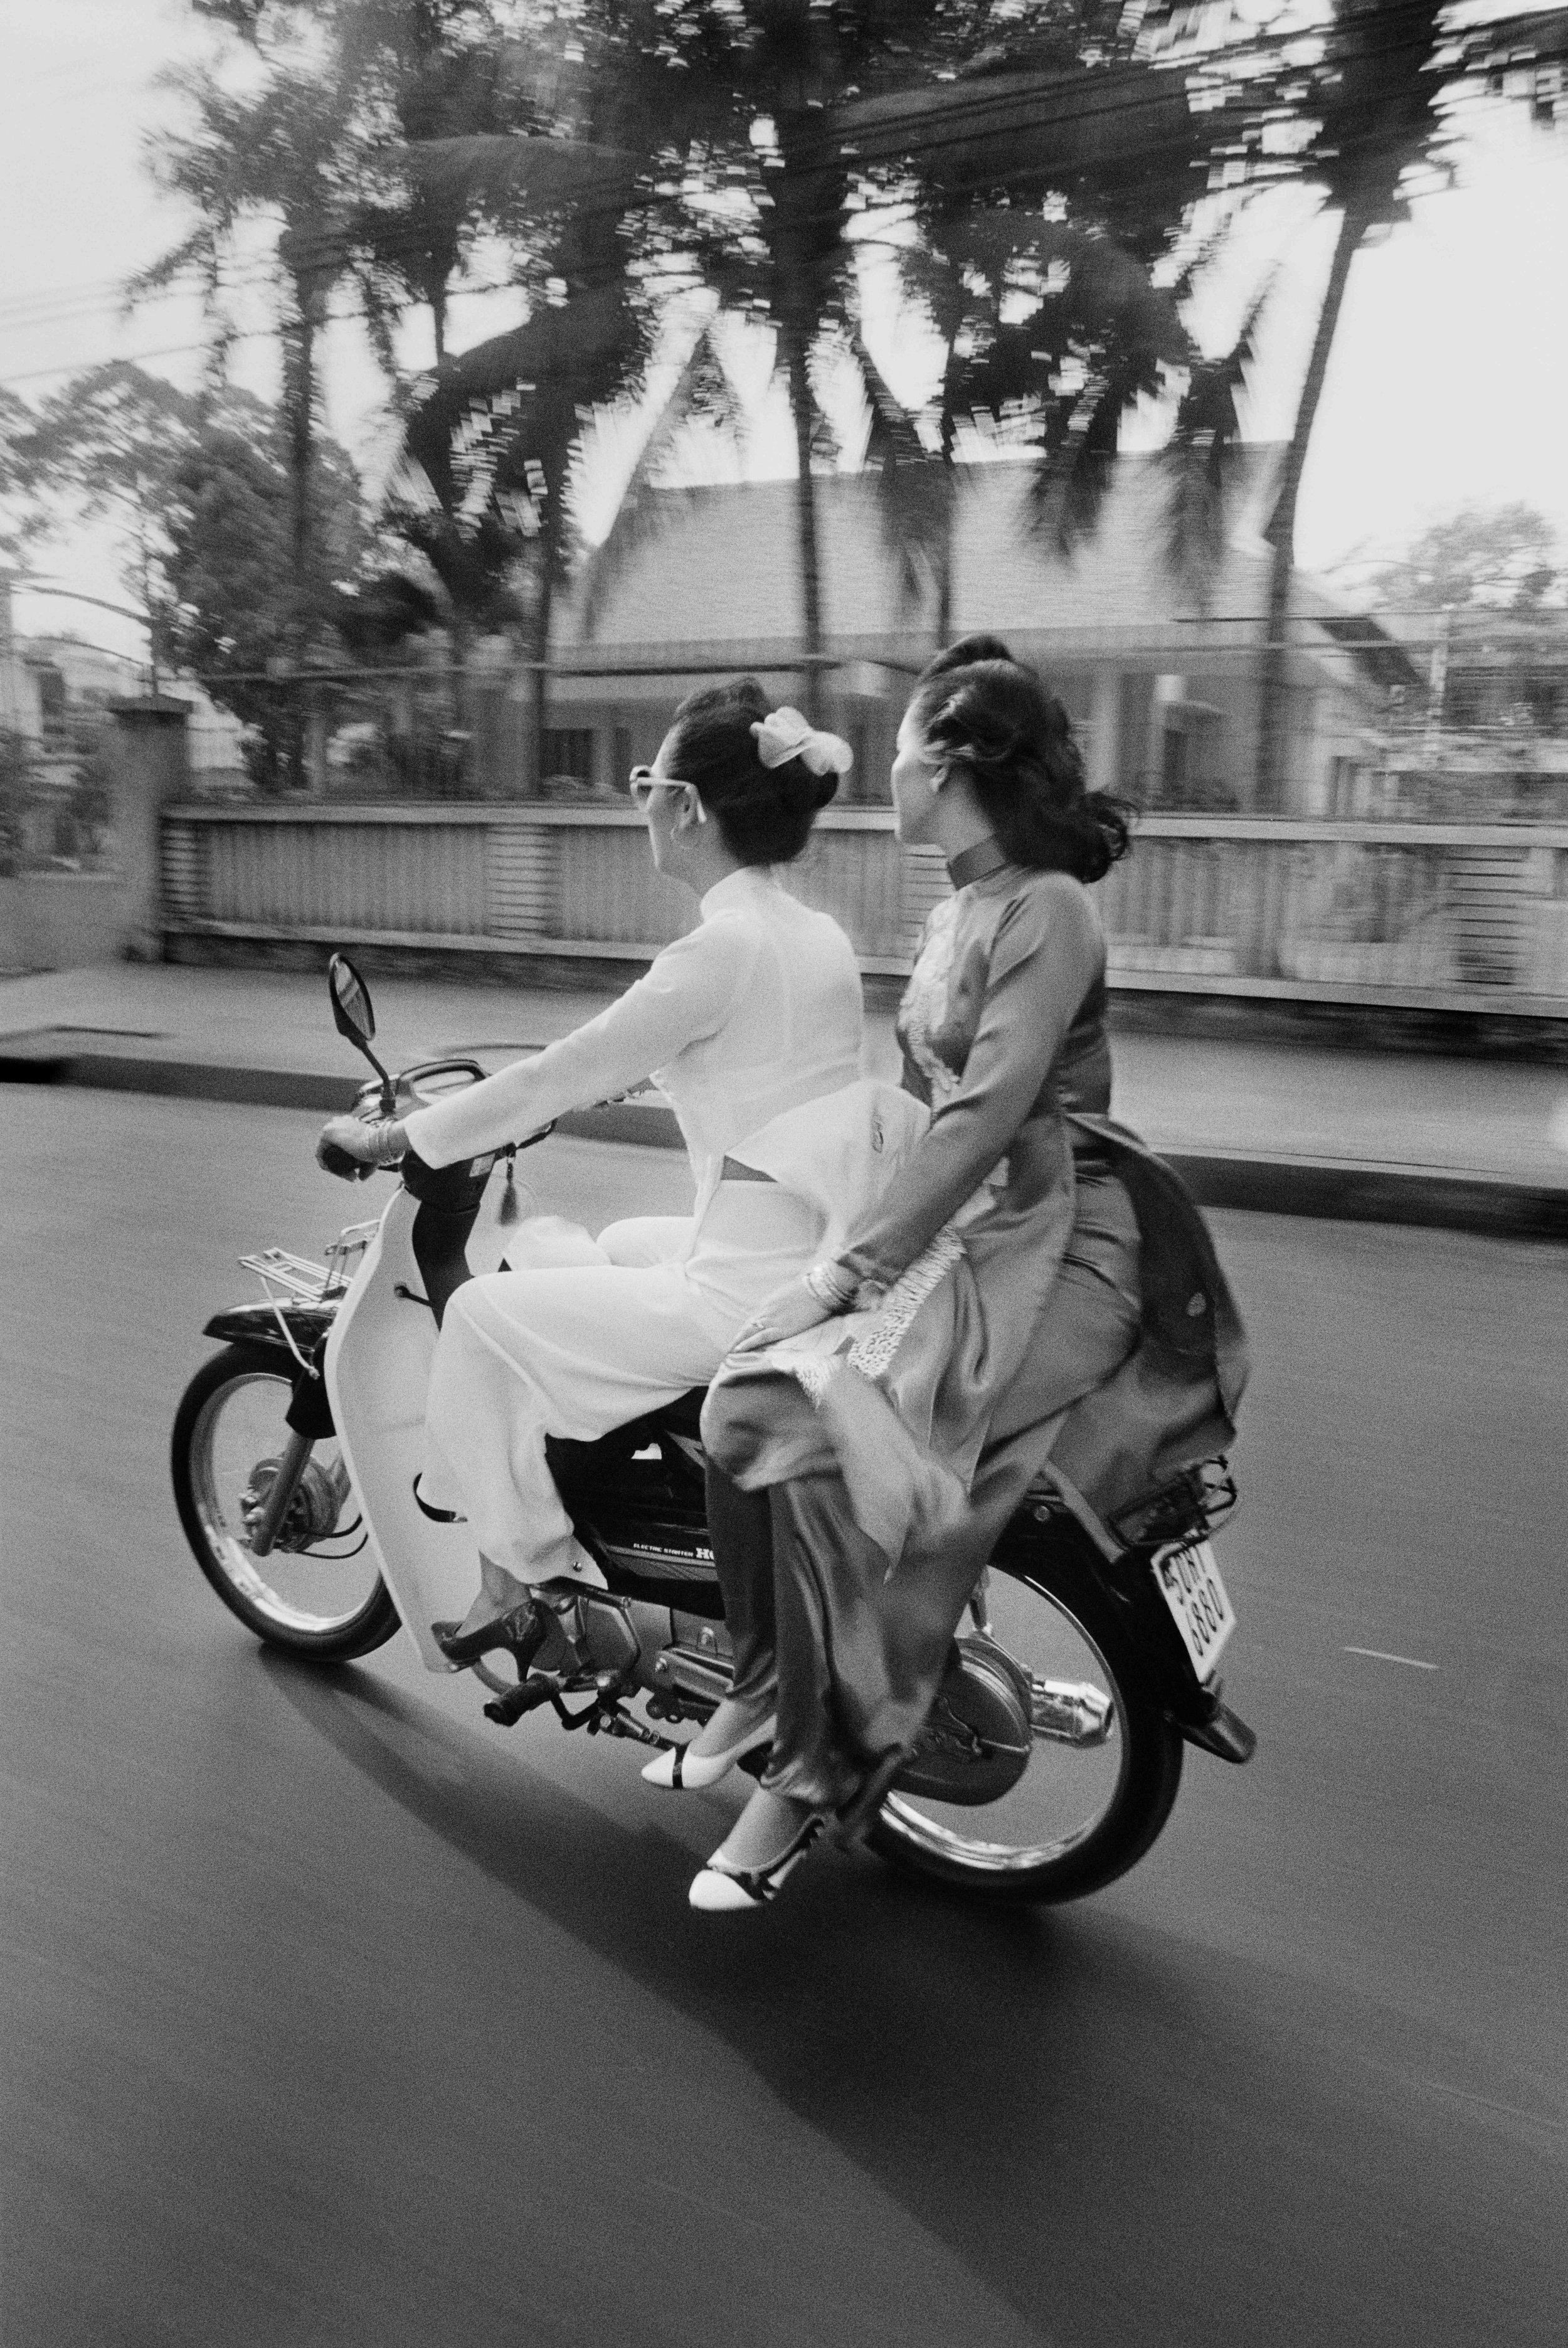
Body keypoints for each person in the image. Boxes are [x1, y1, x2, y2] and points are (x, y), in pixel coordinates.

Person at [685, 637, 1247, 1911]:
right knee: (746, 1392)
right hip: (964, 1229)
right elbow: (913, 1107)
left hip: (1062, 1240)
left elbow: (987, 1111)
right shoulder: (957, 906)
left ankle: (806, 1781)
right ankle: (763, 1680)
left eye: (895, 752)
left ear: (946, 764)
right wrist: (823, 1224)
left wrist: (849, 1276)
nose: (880, 772)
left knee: (856, 1433)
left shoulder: (1046, 908)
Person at [317, 680, 883, 1699]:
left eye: (645, 784)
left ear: (688, 809)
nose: (641, 805)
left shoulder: (720, 947)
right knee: (614, 1242)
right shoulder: (816, 938)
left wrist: (400, 1136)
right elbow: (737, 1063)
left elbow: (553, 1077)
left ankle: (524, 1574)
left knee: (485, 1319)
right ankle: (614, 1519)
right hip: (804, 1251)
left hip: (745, 1291)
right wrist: (630, 1069)